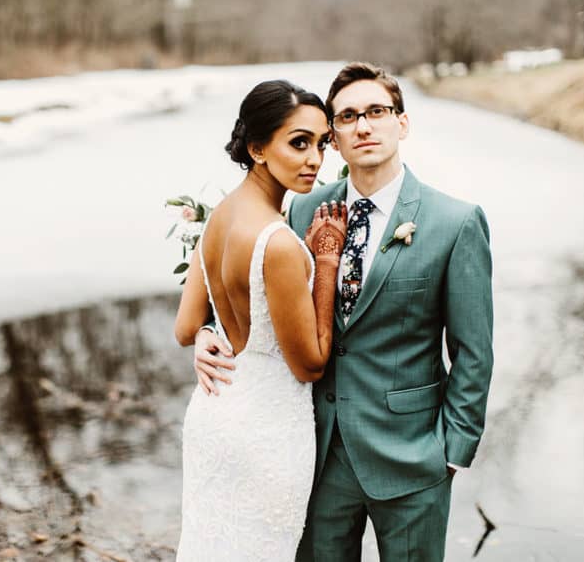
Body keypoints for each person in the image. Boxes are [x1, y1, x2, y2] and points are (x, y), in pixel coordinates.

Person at [193, 62, 494, 562]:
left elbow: (473, 352)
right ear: (332, 135)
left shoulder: (455, 222)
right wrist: (209, 331)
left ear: (401, 122)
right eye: (348, 116)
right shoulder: (303, 209)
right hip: (317, 453)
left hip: (414, 457)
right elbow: (246, 287)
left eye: (377, 111)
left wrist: (452, 452)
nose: (363, 126)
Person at [173, 79, 348, 561]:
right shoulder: (279, 243)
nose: (315, 159)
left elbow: (186, 328)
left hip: (215, 411)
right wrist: (326, 262)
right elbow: (309, 365)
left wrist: (210, 333)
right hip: (266, 432)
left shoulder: (217, 218)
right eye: (299, 143)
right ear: (257, 149)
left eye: (321, 143)